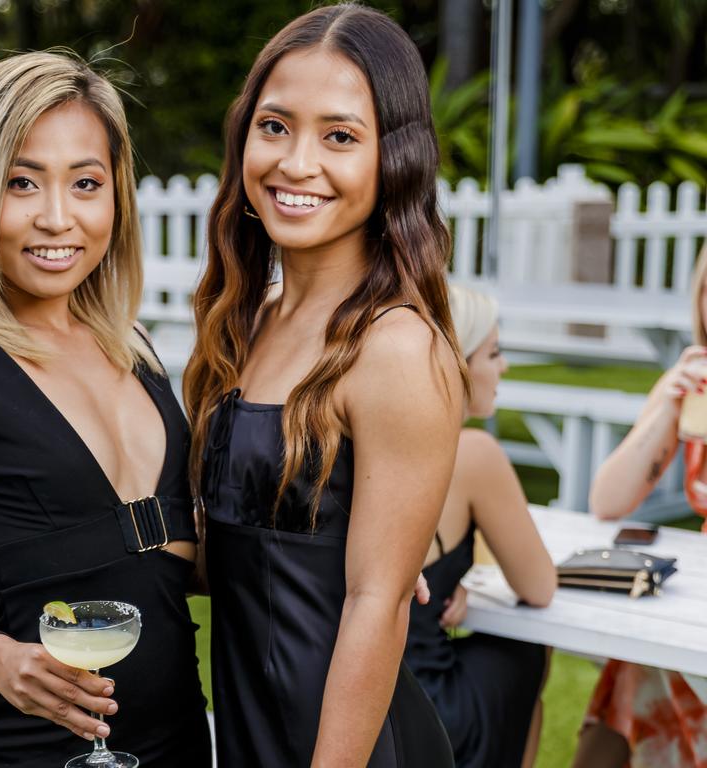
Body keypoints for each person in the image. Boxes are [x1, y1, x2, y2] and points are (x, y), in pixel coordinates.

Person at [0, 52, 212, 767]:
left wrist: (341, 558)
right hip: (35, 752)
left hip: (178, 741)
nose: (58, 217)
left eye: (86, 183)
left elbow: (178, 551)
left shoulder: (132, 346)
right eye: (22, 183)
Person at [184, 5, 466, 765]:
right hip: (249, 733)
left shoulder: (398, 348)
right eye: (274, 127)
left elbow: (377, 606)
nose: (295, 162)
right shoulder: (244, 326)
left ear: (393, 158)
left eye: (339, 136)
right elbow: (233, 558)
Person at [404, 284, 556, 768]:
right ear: (458, 365)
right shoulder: (471, 454)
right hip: (423, 707)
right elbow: (539, 586)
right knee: (528, 650)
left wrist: (456, 577)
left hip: (344, 693)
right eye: (493, 352)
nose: (503, 366)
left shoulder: (362, 441)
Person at [573, 247, 707, 768]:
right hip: (694, 599)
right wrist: (665, 410)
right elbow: (606, 501)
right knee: (635, 666)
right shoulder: (693, 378)